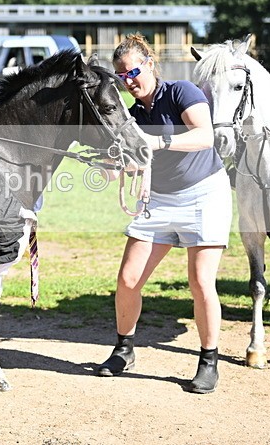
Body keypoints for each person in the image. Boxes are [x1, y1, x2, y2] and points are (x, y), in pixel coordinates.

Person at [95, 33, 232, 394]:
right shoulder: (133, 114)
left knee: (201, 281)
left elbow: (205, 136)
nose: (129, 81)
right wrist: (110, 163)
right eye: (121, 76)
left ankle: (208, 360)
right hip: (158, 200)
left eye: (133, 72)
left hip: (204, 194)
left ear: (150, 65)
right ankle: (124, 350)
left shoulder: (181, 91)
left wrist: (157, 142)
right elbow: (118, 166)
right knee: (128, 279)